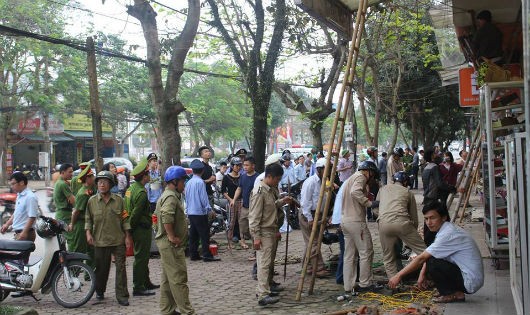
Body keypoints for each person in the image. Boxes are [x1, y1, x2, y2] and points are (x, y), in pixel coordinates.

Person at [388, 201, 484, 303]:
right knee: (429, 259)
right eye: (426, 219)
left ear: (443, 217)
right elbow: (427, 255)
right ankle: (453, 291)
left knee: (432, 262)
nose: (429, 222)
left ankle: (451, 293)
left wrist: (398, 275)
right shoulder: (447, 229)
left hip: (470, 282)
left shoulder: (447, 234)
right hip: (470, 277)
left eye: (432, 218)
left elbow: (423, 258)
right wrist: (422, 275)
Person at [85, 171, 132, 306]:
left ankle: (122, 295)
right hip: (100, 241)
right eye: (99, 182)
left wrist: (128, 236)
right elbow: (88, 219)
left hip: (118, 240)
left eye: (105, 182)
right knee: (101, 269)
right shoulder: (92, 201)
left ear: (111, 184)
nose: (102, 184)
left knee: (121, 268)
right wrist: (88, 233)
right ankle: (100, 291)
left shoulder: (119, 200)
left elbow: (125, 219)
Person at [154, 166, 196, 315]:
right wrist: (171, 236)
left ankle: (167, 310)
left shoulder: (167, 195)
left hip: (166, 244)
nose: (184, 184)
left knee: (167, 280)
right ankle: (187, 312)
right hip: (170, 245)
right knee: (178, 279)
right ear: (175, 181)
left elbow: (156, 217)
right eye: (183, 181)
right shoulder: (171, 197)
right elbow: (166, 216)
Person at [249, 163, 293, 306]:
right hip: (263, 232)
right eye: (277, 179)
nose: (278, 182)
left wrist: (282, 202)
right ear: (269, 177)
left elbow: (272, 205)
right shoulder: (259, 191)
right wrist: (256, 237)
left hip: (272, 230)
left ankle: (265, 288)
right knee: (264, 264)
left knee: (269, 263)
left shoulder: (270, 189)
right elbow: (254, 217)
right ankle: (262, 294)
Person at [341, 161, 382, 295]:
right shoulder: (361, 176)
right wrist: (368, 203)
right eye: (372, 175)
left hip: (345, 221)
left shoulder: (350, 178)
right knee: (366, 251)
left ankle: (349, 286)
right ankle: (365, 283)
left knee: (349, 255)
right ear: (368, 171)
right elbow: (355, 192)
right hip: (356, 221)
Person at [376, 171, 426, 278]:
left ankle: (395, 285)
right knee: (425, 252)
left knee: (388, 258)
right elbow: (414, 218)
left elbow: (376, 210)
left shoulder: (382, 189)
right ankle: (431, 276)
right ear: (405, 182)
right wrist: (412, 235)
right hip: (402, 223)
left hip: (383, 224)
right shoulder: (407, 192)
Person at [125, 158, 158, 296]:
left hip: (136, 227)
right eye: (148, 174)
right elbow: (135, 214)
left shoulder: (130, 189)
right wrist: (129, 231)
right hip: (140, 228)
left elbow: (127, 209)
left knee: (144, 257)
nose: (149, 176)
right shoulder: (141, 193)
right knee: (141, 258)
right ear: (144, 177)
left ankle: (146, 281)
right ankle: (138, 287)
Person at [299, 158, 330, 277]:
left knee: (311, 242)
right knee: (313, 242)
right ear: (319, 169)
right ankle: (318, 268)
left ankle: (308, 267)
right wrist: (310, 218)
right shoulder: (311, 182)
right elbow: (305, 202)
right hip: (309, 215)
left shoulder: (323, 181)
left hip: (317, 214)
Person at [186, 159, 220, 262]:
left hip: (191, 212)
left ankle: (194, 254)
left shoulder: (189, 182)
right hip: (199, 212)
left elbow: (186, 197)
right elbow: (203, 198)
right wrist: (209, 209)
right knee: (204, 233)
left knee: (194, 234)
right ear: (202, 171)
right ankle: (206, 254)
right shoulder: (200, 182)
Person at [422, 148, 455, 245]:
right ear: (432, 156)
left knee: (428, 223)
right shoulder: (434, 167)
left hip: (427, 198)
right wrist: (452, 188)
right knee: (442, 221)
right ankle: (443, 243)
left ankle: (429, 244)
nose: (438, 155)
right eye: (435, 153)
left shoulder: (426, 167)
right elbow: (440, 184)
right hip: (434, 199)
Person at [69, 166, 95, 267]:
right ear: (87, 179)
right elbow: (76, 212)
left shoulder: (89, 190)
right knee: (79, 251)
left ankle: (89, 273)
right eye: (91, 176)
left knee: (91, 250)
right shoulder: (82, 194)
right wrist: (72, 224)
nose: (93, 178)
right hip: (81, 225)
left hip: (88, 224)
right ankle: (73, 275)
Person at [1, 172, 38, 242]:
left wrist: (24, 232)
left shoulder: (30, 197)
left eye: (13, 184)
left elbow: (32, 217)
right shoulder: (19, 195)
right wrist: (7, 224)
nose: (11, 186)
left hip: (26, 233)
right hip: (18, 233)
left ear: (21, 183)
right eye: (11, 184)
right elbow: (16, 213)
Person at [233, 157, 259, 249]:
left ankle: (255, 251)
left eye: (247, 165)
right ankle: (243, 241)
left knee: (254, 229)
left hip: (255, 208)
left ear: (253, 166)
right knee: (243, 226)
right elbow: (239, 188)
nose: (245, 167)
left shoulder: (258, 178)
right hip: (245, 207)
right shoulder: (243, 176)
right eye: (244, 165)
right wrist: (234, 200)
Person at [222, 157, 242, 249]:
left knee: (241, 220)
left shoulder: (242, 177)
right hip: (230, 201)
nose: (238, 167)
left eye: (239, 165)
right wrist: (231, 200)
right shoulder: (226, 177)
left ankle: (242, 239)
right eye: (236, 165)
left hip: (241, 201)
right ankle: (229, 240)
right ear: (232, 166)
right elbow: (223, 191)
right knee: (231, 221)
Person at [54, 163, 75, 247]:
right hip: (65, 216)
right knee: (71, 238)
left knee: (62, 240)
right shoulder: (63, 184)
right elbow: (73, 201)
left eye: (72, 172)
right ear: (63, 172)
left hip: (60, 214)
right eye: (69, 172)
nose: (72, 174)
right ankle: (72, 259)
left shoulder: (59, 182)